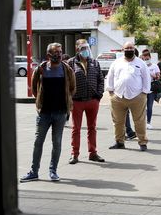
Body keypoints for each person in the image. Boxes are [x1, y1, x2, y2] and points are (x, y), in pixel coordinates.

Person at [20, 43, 76, 182]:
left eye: (60, 52)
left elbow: (72, 88)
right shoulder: (41, 69)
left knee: (56, 143)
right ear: (48, 55)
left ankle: (53, 171)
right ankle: (34, 172)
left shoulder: (67, 69)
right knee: (38, 142)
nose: (58, 54)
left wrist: (66, 104)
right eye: (55, 52)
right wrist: (40, 103)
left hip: (60, 113)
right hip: (44, 113)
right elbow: (34, 88)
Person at [107, 42, 151, 151]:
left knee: (139, 121)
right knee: (118, 121)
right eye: (127, 48)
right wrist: (111, 92)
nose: (129, 50)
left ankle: (142, 142)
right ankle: (119, 142)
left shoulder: (141, 63)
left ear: (134, 49)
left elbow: (146, 78)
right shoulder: (116, 63)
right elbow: (110, 77)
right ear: (123, 50)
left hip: (137, 97)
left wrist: (144, 93)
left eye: (131, 48)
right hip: (118, 96)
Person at [66, 39, 105, 165]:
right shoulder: (71, 63)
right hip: (77, 101)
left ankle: (93, 153)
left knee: (92, 128)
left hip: (93, 101)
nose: (86, 50)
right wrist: (70, 98)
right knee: (76, 129)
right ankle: (74, 154)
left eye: (87, 47)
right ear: (77, 49)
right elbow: (66, 82)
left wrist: (99, 96)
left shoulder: (94, 62)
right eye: (83, 48)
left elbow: (101, 80)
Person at [141, 50, 161, 129]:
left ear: (150, 57)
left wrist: (154, 76)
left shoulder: (154, 66)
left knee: (149, 106)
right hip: (142, 89)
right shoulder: (142, 66)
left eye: (147, 58)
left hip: (151, 89)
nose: (146, 60)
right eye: (145, 59)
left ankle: (148, 122)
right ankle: (142, 122)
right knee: (142, 107)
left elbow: (158, 77)